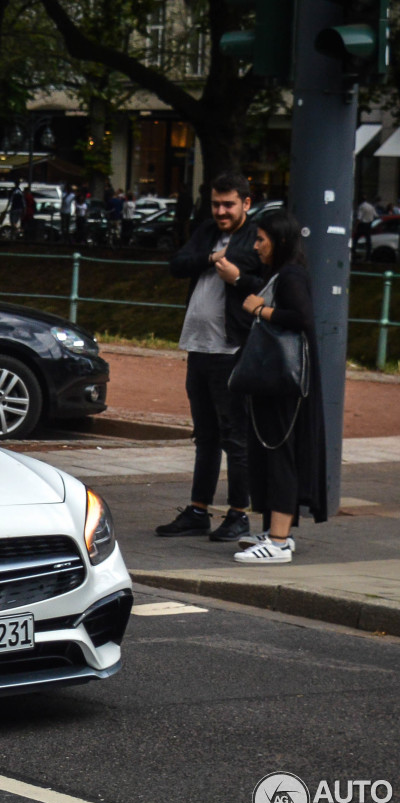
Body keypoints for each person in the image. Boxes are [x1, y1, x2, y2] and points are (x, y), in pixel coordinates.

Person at [155, 171, 265, 541]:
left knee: (236, 435)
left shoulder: (256, 236)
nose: (221, 211)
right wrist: (212, 257)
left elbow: (263, 282)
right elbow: (177, 264)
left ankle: (239, 513)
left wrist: (235, 276)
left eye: (228, 204)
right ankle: (198, 510)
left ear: (246, 204)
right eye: (216, 204)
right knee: (205, 435)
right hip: (199, 346)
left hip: (232, 348)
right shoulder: (206, 232)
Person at [231, 211, 329, 562]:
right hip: (280, 381)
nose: (256, 246)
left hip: (285, 383)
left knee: (280, 452)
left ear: (280, 241)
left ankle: (278, 540)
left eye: (262, 240)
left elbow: (301, 318)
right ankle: (278, 532)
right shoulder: (283, 273)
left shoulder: (290, 275)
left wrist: (261, 311)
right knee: (273, 451)